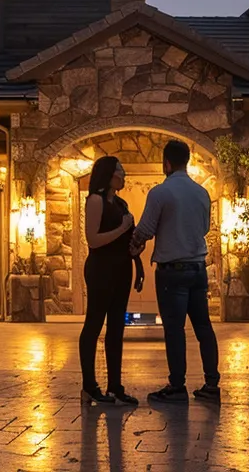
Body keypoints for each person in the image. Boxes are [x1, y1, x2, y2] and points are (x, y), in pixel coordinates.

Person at [130, 140, 219, 403]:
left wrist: (133, 242)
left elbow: (145, 229)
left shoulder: (160, 193)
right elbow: (204, 228)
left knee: (174, 329)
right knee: (204, 326)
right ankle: (211, 384)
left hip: (172, 272)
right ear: (187, 161)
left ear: (166, 163)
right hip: (197, 268)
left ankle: (177, 385)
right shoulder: (201, 193)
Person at [78, 156, 145, 405]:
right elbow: (93, 240)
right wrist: (122, 227)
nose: (124, 175)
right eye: (121, 171)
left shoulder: (121, 203)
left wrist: (138, 263)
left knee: (117, 326)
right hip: (100, 268)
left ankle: (115, 386)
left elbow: (127, 241)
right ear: (109, 174)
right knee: (94, 324)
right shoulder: (95, 201)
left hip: (121, 268)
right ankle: (89, 386)